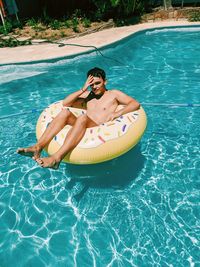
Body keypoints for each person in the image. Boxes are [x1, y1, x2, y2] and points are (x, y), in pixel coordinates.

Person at [17, 67, 140, 169]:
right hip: (84, 124)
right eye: (92, 84)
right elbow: (66, 103)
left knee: (82, 118)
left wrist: (118, 113)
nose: (95, 87)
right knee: (65, 113)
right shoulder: (88, 95)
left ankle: (56, 158)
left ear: (105, 81)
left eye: (98, 83)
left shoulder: (114, 94)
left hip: (98, 127)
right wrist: (83, 89)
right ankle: (37, 147)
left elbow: (134, 103)